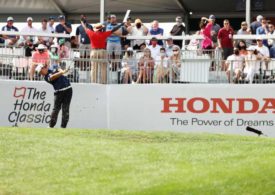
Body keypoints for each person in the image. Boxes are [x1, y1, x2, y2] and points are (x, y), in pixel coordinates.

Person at [35, 64, 72, 128]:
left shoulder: (53, 66)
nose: (41, 73)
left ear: (43, 68)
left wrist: (64, 71)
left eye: (41, 71)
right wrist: (62, 72)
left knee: (65, 109)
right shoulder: (46, 77)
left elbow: (59, 69)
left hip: (68, 89)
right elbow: (53, 77)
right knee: (56, 109)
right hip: (58, 92)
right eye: (40, 73)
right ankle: (51, 126)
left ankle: (63, 127)